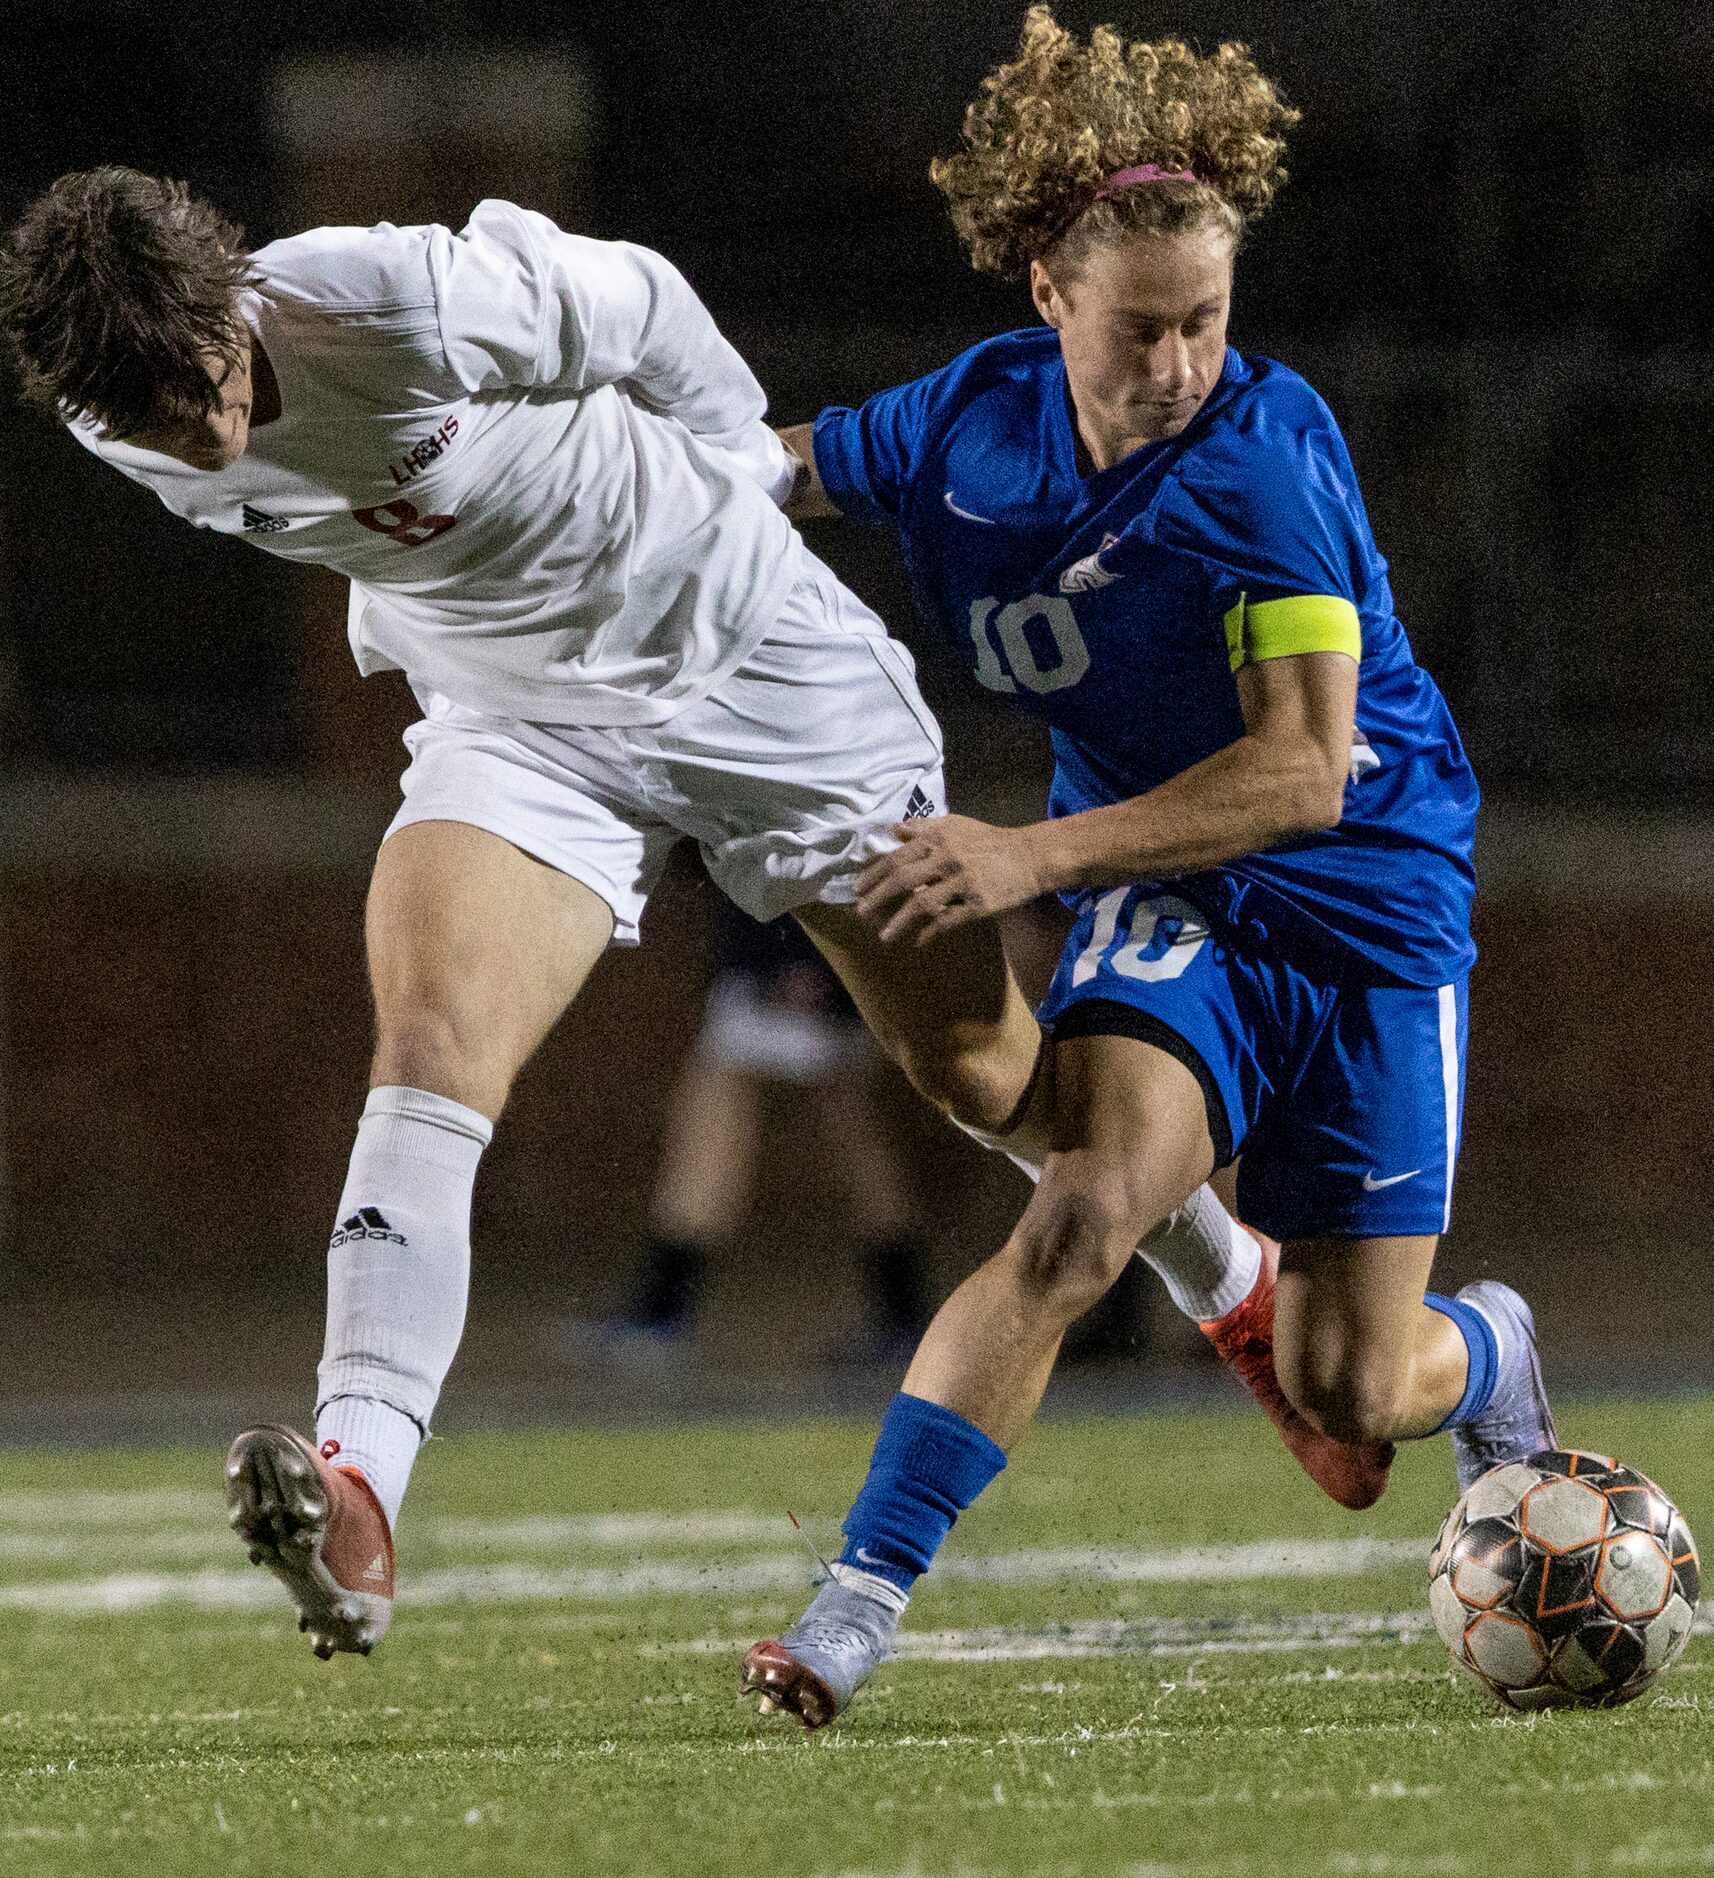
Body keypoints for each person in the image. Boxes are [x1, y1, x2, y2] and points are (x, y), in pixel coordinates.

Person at [0, 166, 1368, 1660]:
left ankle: (1232, 1284)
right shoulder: (114, 410)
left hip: (762, 678)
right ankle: (358, 1487)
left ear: (234, 304)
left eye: (205, 386)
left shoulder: (384, 299)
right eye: (153, 422)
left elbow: (644, 301)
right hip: (525, 727)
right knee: (430, 1043)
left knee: (999, 1086)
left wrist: (719, 494)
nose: (202, 432)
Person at [743, 8, 1555, 1729]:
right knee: (1079, 1208)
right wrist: (578, 490)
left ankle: (1483, 1342)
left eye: (1204, 322)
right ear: (1046, 290)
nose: (1177, 362)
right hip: (1177, 898)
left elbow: (1299, 768)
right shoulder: (965, 424)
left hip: (1363, 897)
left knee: (1350, 1386)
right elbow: (777, 473)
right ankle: (854, 1601)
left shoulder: (1257, 465)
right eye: (1141, 329)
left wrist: (1021, 852)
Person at [590, 895, 933, 1357]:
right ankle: (903, 1316)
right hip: (786, 974)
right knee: (834, 1134)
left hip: (806, 975)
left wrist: (806, 966)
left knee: (833, 1134)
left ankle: (661, 1311)